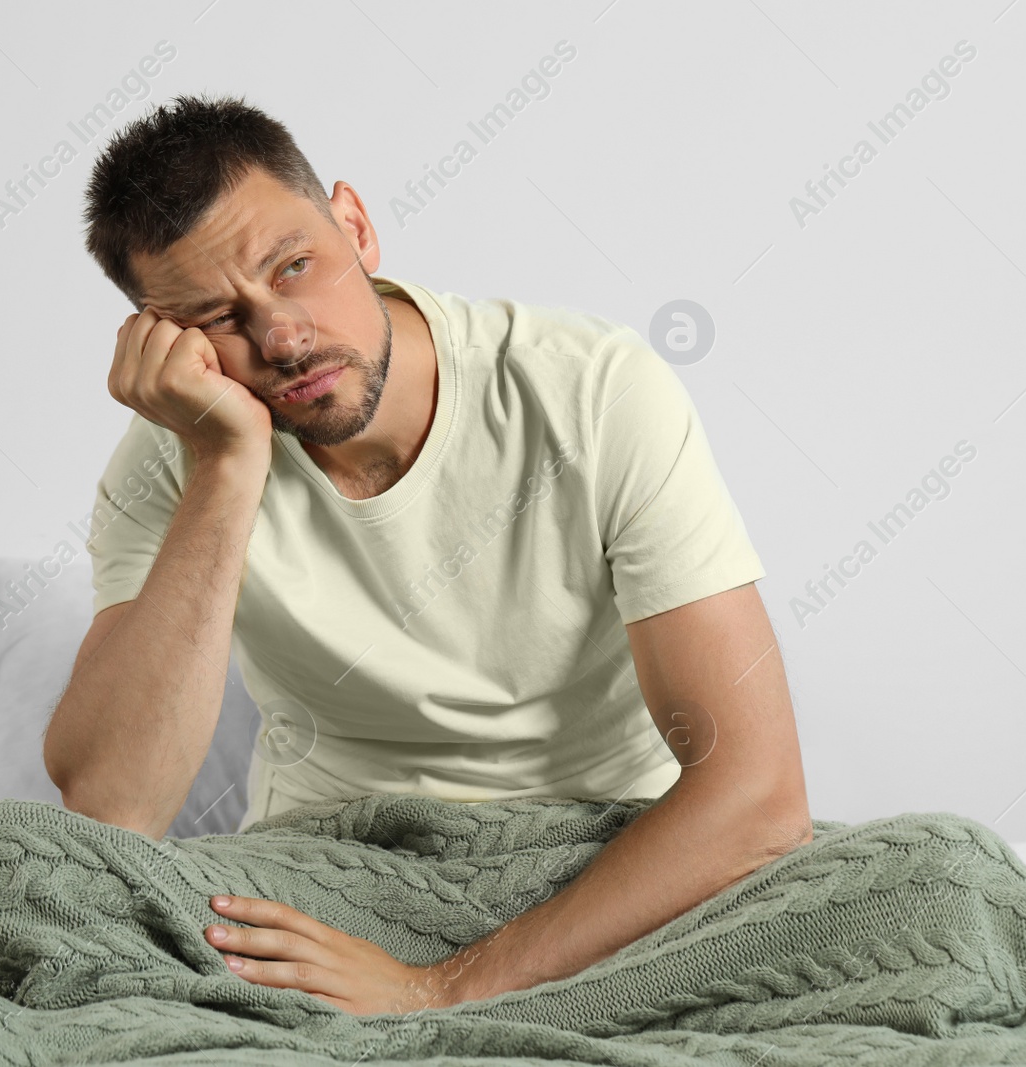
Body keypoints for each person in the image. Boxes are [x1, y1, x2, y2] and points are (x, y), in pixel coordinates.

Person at [43, 93, 813, 1015]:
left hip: (612, 864)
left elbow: (761, 796)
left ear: (357, 226)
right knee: (10, 880)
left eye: (295, 267)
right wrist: (224, 465)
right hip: (339, 875)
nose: (281, 338)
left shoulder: (592, 387)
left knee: (943, 878)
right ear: (163, 342)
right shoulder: (174, 464)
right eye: (218, 319)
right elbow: (111, 813)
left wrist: (443, 987)